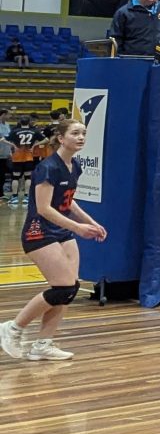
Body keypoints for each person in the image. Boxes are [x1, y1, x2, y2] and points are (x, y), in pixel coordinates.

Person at [0, 119, 106, 362]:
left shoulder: (74, 166)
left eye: (84, 133)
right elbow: (45, 209)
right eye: (75, 133)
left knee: (69, 290)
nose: (81, 137)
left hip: (62, 230)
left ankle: (43, 344)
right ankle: (13, 328)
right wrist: (78, 228)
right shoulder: (48, 167)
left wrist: (90, 221)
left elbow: (69, 201)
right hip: (40, 231)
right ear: (60, 138)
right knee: (63, 287)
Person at [7, 115, 44, 206]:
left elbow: (3, 139)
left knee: (15, 177)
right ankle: (26, 197)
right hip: (29, 156)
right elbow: (46, 139)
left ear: (20, 121)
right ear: (29, 122)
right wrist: (34, 145)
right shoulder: (34, 131)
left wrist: (14, 146)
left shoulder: (15, 131)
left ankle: (15, 197)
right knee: (28, 177)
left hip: (17, 156)